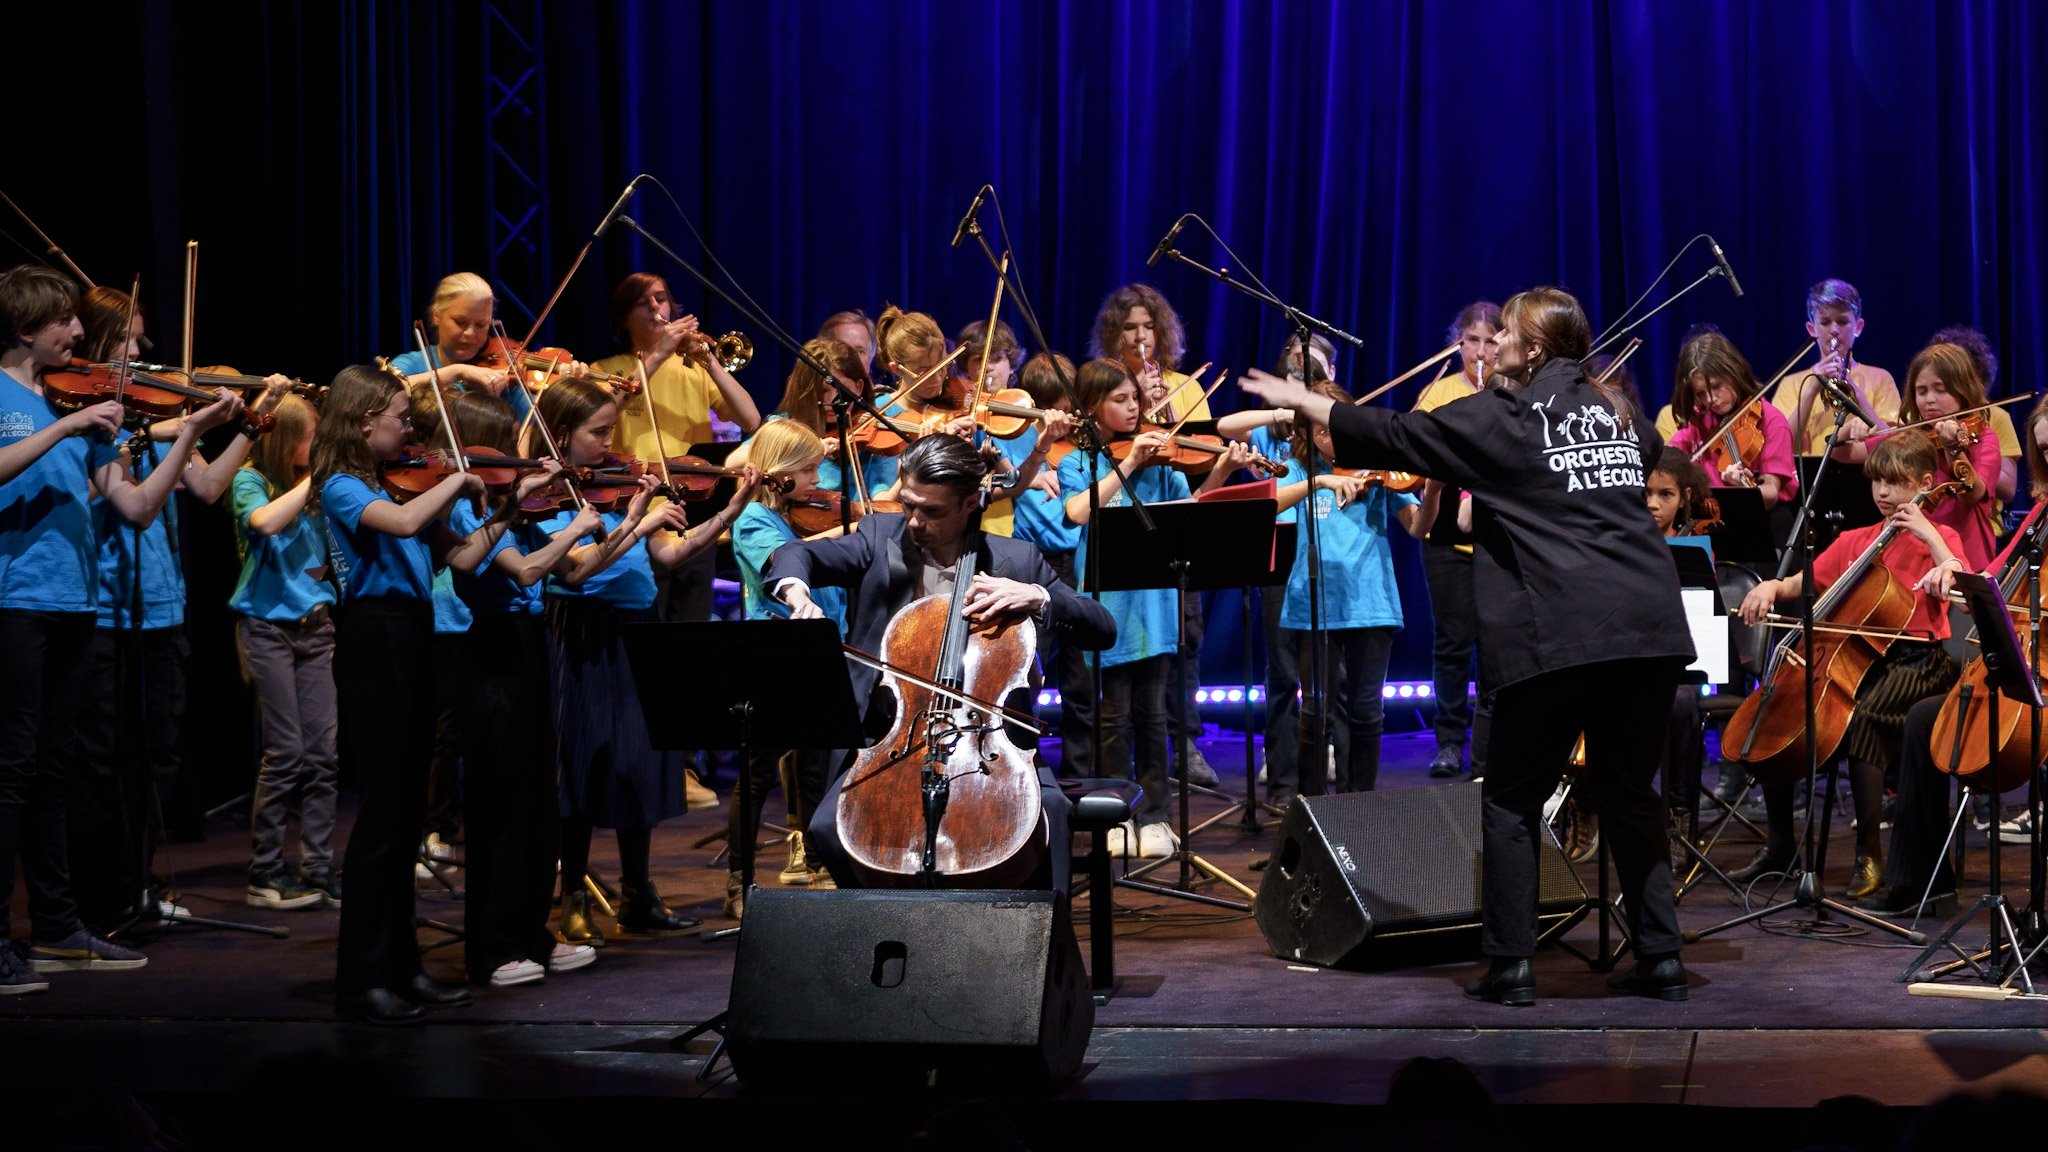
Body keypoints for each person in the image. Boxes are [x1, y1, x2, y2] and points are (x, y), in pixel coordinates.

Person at [1241, 286, 1696, 1006]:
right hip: (1647, 629)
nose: (1497, 347)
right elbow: (1643, 453)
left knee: (1512, 799)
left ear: (1533, 350)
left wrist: (1312, 403)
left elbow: (1401, 436)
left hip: (1560, 632)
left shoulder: (1508, 415)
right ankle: (1663, 957)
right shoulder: (1619, 413)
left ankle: (1511, 967)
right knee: (1629, 795)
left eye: (1507, 336)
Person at [769, 434, 1117, 894]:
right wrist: (796, 592)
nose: (914, 521)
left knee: (1046, 825)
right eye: (910, 503)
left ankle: (1039, 954)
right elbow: (796, 554)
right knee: (829, 831)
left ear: (971, 502)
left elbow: (1102, 628)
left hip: (986, 750)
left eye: (932, 511)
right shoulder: (879, 539)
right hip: (888, 742)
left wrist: (1039, 596)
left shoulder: (1017, 559)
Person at [313, 361, 552, 1025]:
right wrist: (452, 478)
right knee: (384, 815)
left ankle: (402, 964)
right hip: (373, 639)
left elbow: (465, 557)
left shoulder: (403, 485)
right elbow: (395, 524)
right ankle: (362, 976)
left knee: (408, 814)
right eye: (399, 419)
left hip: (414, 634)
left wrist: (509, 505)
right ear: (364, 424)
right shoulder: (340, 485)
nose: (410, 430)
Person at [67, 286, 294, 930]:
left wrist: (252, 420)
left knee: (157, 758)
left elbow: (208, 486)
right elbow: (117, 502)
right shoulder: (95, 418)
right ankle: (99, 898)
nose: (142, 352)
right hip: (108, 610)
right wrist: (165, 429)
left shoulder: (155, 414)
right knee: (103, 763)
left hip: (164, 607)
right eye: (130, 340)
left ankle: (137, 883)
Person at [0, 265, 182, 993]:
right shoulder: (18, 399)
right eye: (66, 323)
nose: (81, 334)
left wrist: (191, 431)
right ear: (25, 329)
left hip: (76, 605)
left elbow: (134, 507)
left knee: (54, 773)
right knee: (10, 773)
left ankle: (55, 928)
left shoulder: (80, 399)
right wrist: (69, 426)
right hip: (14, 601)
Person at [529, 377, 757, 946]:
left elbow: (674, 551)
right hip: (580, 634)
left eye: (612, 430)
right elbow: (576, 566)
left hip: (637, 631)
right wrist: (638, 522)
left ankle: (637, 892)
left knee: (638, 763)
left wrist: (731, 508)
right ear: (560, 434)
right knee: (579, 762)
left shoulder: (623, 482)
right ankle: (573, 894)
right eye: (597, 432)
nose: (609, 444)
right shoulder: (544, 494)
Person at [1733, 435, 1967, 900]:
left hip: (1919, 662)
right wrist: (1772, 588)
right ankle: (1780, 844)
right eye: (1877, 481)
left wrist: (1930, 535)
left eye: (1895, 483)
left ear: (1924, 484)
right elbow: (1809, 578)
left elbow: (1958, 576)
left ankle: (1869, 851)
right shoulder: (1857, 540)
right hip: (1857, 659)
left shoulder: (1940, 539)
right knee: (1779, 710)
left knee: (1862, 719)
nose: (1882, 492)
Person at [1862, 393, 2048, 915]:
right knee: (1925, 719)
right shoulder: (2040, 514)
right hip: (2027, 665)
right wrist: (1957, 575)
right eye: (2045, 454)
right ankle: (1918, 884)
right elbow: (1997, 583)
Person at [439, 390, 602, 987]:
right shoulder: (464, 507)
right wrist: (569, 522)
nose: (517, 461)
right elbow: (525, 571)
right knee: (500, 803)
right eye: (505, 449)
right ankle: (491, 944)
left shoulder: (509, 502)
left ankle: (532, 929)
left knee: (536, 802)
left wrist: (629, 522)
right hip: (491, 649)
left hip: (530, 643)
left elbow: (572, 570)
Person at [1057, 359, 1248, 857]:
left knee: (1153, 717)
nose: (1133, 408)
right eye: (1120, 400)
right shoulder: (1079, 461)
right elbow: (1077, 512)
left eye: (1135, 399)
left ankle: (1158, 816)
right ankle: (1117, 816)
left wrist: (1222, 469)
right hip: (1107, 610)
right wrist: (1128, 464)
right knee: (1113, 718)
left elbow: (1190, 512)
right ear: (1092, 406)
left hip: (1156, 609)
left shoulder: (1163, 467)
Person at [1269, 380, 1431, 796]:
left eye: (1336, 427)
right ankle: (1310, 812)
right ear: (1307, 432)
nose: (1330, 437)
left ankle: (1360, 810)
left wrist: (1433, 489)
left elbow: (1417, 527)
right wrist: (1319, 484)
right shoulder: (1300, 471)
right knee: (1316, 712)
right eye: (1321, 430)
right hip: (1316, 604)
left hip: (1371, 603)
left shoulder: (1379, 469)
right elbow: (1268, 505)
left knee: (1365, 712)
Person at [1090, 285, 1221, 786]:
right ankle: (1122, 772)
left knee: (1185, 641)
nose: (1140, 335)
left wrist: (1167, 413)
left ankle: (1184, 743)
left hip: (1177, 517)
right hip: (1126, 514)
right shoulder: (1109, 384)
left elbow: (1195, 454)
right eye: (1130, 327)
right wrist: (1138, 403)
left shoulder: (1185, 386)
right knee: (1127, 668)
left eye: (1148, 326)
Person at [725, 419, 846, 916]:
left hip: (821, 645)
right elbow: (782, 564)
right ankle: (739, 880)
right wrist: (848, 533)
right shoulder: (754, 520)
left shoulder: (799, 514)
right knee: (757, 773)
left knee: (815, 763)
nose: (820, 480)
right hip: (774, 651)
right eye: (810, 469)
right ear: (778, 474)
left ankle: (814, 861)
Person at [228, 395, 342, 912]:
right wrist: (311, 483)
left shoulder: (317, 495)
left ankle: (319, 867)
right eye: (310, 437)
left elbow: (323, 561)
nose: (317, 447)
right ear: (284, 438)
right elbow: (264, 524)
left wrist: (321, 584)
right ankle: (265, 871)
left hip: (315, 631)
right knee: (287, 753)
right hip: (266, 631)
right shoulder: (252, 479)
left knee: (323, 756)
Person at [1410, 301, 1500, 780]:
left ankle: (1491, 745)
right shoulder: (1439, 392)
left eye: (1490, 341)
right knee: (1451, 641)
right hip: (1445, 535)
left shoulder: (1510, 389)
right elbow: (1420, 452)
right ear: (1457, 343)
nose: (1480, 351)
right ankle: (1449, 740)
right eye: (1472, 341)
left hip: (1497, 538)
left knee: (1495, 643)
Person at [1856, 343, 2001, 572]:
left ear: (1962, 391)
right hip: (1917, 560)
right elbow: (1847, 452)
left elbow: (1973, 494)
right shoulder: (1911, 437)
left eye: (1940, 390)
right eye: (1921, 391)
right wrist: (1849, 432)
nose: (1929, 400)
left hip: (1966, 561)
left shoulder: (1983, 438)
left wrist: (1953, 449)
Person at [1766, 278, 1901, 454]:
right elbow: (1780, 447)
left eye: (1843, 321)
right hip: (1809, 478)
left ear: (1858, 327)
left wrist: (1855, 392)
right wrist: (1811, 389)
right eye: (1825, 322)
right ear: (1812, 328)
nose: (1834, 330)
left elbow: (1894, 445)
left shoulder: (1881, 378)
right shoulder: (1790, 383)